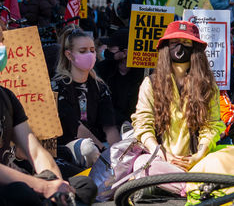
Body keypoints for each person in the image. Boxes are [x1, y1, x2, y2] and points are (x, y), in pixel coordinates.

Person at [0, 29, 97, 205]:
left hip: (18, 181)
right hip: (10, 186)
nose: (3, 47)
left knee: (84, 185)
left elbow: (35, 151)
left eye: (1, 40)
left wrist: (56, 185)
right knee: (21, 193)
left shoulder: (6, 96)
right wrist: (42, 187)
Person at [131, 20, 226, 172]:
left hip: (198, 161)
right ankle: (189, 187)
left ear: (195, 49)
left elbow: (212, 126)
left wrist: (199, 156)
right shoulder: (150, 84)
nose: (179, 47)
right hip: (160, 160)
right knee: (142, 165)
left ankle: (187, 184)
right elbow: (143, 124)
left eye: (186, 42)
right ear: (165, 47)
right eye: (174, 42)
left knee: (223, 160)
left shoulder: (208, 85)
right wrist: (163, 155)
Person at [52, 27, 120, 169]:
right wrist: (104, 153)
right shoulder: (58, 87)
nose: (89, 55)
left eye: (92, 50)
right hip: (68, 147)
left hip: (99, 145)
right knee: (88, 149)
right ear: (69, 55)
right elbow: (76, 127)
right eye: (83, 51)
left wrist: (118, 152)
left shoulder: (100, 86)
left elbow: (109, 126)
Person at [96, 29, 144, 128]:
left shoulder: (143, 74)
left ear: (125, 52)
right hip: (106, 127)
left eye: (111, 48)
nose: (107, 50)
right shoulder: (102, 69)